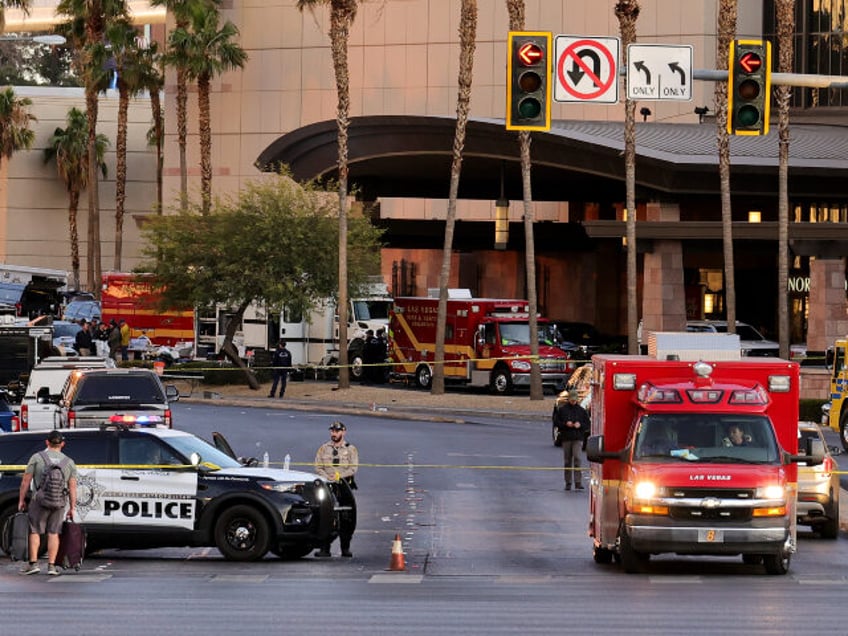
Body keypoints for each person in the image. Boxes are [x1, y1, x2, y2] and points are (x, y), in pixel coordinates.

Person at [17, 430, 78, 576]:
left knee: (35, 531)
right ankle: (51, 566)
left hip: (39, 501)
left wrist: (21, 500)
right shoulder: (69, 462)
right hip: (59, 502)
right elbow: (72, 487)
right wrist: (73, 507)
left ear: (47, 442)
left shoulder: (37, 458)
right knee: (53, 533)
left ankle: (34, 564)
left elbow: (26, 481)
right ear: (62, 444)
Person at [314, 421, 359, 557]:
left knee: (346, 517)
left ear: (343, 432)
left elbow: (353, 468)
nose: (334, 434)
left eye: (337, 431)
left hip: (344, 486)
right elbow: (317, 466)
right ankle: (324, 548)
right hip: (327, 485)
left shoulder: (351, 449)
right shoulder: (323, 448)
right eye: (332, 431)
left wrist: (339, 476)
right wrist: (327, 477)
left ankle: (345, 547)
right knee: (324, 514)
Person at [553, 388, 590, 491]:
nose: (573, 401)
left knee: (577, 458)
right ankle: (568, 482)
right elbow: (556, 422)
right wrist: (565, 424)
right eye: (572, 400)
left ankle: (578, 482)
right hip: (566, 438)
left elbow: (587, 424)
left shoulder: (581, 411)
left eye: (575, 400)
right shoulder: (563, 410)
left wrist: (580, 425)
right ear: (569, 399)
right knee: (567, 461)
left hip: (578, 437)